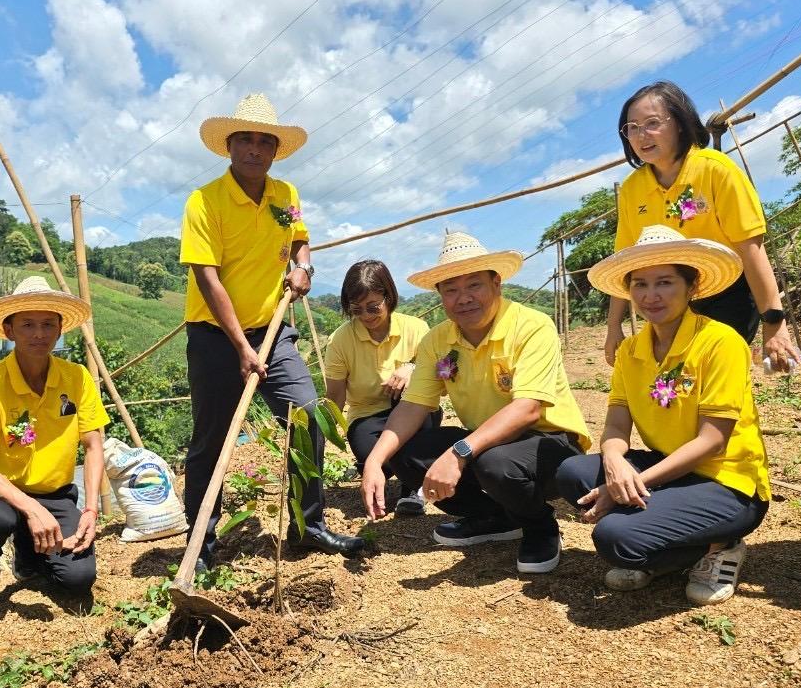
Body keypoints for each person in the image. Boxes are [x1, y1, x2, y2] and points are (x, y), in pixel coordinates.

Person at [181, 93, 364, 565]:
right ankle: (201, 540)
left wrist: (304, 267)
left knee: (305, 417)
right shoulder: (204, 202)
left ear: (274, 150)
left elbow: (300, 239)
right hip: (216, 337)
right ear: (230, 145)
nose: (256, 149)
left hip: (274, 328)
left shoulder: (287, 195)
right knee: (212, 438)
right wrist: (242, 347)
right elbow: (208, 277)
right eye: (246, 139)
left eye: (266, 141)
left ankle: (309, 525)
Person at [556, 226, 771, 604]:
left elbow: (712, 440)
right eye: (639, 284)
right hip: (674, 469)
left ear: (692, 286)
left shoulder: (720, 342)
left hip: (728, 481)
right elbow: (618, 423)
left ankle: (721, 544)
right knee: (571, 473)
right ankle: (664, 543)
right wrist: (613, 463)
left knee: (615, 538)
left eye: (665, 282)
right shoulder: (632, 350)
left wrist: (629, 487)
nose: (650, 296)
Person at [360, 231, 590, 573]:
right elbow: (413, 406)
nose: (463, 298)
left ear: (496, 283)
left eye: (474, 285)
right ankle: (495, 517)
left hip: (549, 445)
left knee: (493, 463)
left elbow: (529, 408)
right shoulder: (438, 339)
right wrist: (375, 462)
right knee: (406, 454)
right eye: (451, 289)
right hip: (485, 441)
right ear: (440, 296)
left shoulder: (532, 326)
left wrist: (459, 453)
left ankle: (540, 526)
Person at [604, 80, 799, 373]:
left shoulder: (715, 170)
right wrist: (613, 327)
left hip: (728, 293)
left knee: (710, 372)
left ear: (680, 123)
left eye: (652, 123)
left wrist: (774, 323)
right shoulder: (633, 189)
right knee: (673, 380)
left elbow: (751, 249)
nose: (642, 135)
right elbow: (627, 260)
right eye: (632, 127)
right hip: (669, 299)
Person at [0, 277, 108, 615]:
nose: (38, 333)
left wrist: (91, 510)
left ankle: (29, 557)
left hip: (55, 494)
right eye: (27, 324)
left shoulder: (77, 378)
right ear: (9, 331)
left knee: (78, 580)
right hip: (1, 493)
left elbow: (94, 445)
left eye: (47, 324)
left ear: (59, 330)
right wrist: (30, 508)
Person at [323, 259, 437, 516]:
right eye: (357, 310)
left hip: (416, 411)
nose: (365, 316)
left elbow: (436, 378)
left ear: (389, 297)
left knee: (411, 392)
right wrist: (322, 437)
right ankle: (398, 470)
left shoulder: (416, 329)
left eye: (373, 308)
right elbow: (335, 396)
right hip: (368, 417)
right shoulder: (341, 340)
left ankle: (411, 489)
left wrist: (412, 368)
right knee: (372, 454)